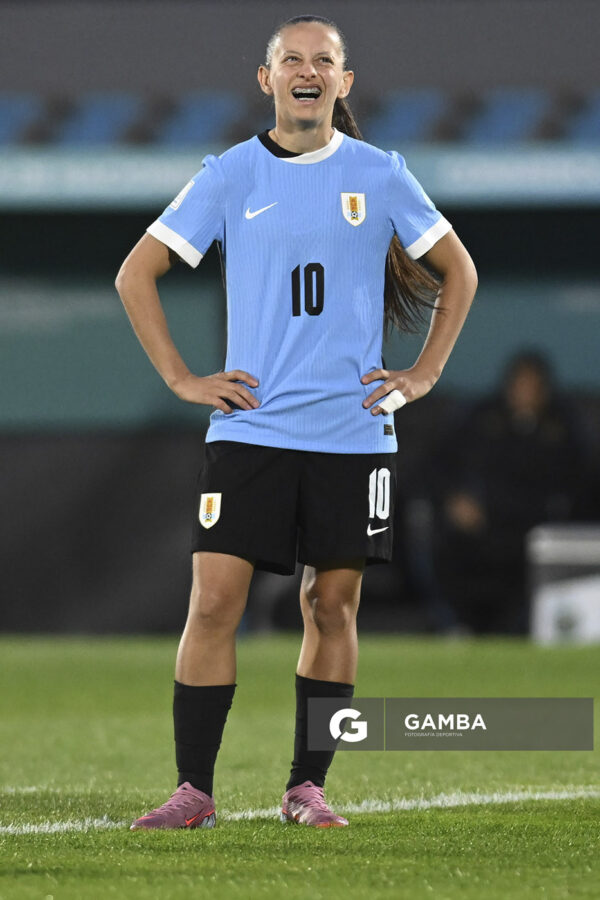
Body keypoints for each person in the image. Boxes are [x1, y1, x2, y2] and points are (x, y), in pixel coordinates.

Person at [115, 14, 477, 829]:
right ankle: (194, 792)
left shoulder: (382, 175)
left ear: (344, 83)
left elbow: (459, 269)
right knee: (213, 602)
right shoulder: (230, 174)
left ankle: (306, 788)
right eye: (292, 60)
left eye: (324, 61)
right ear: (266, 77)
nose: (307, 71)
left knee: (333, 606)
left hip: (353, 431)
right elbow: (137, 273)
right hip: (251, 427)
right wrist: (181, 377)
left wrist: (423, 375)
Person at [432, 350, 587, 634]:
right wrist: (455, 498)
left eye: (533, 385)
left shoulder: (564, 426)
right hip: (481, 528)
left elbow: (581, 483)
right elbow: (438, 466)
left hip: (536, 533)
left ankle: (521, 629)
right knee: (444, 545)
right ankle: (457, 626)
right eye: (519, 383)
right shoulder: (482, 417)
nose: (524, 392)